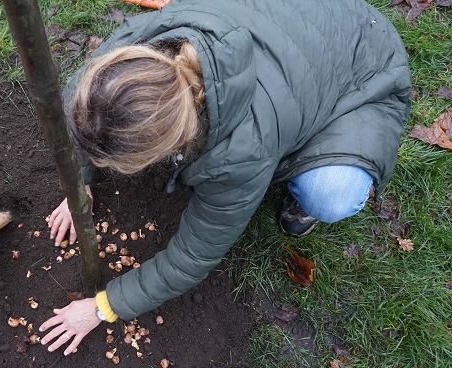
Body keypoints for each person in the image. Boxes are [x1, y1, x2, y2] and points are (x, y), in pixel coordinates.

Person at [38, 0, 412, 355]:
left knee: (330, 195)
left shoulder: (240, 153)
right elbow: (81, 114)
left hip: (365, 67)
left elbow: (191, 257)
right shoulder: (127, 60)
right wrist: (79, 183)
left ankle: (306, 186)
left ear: (168, 147)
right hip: (297, 25)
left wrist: (103, 307)